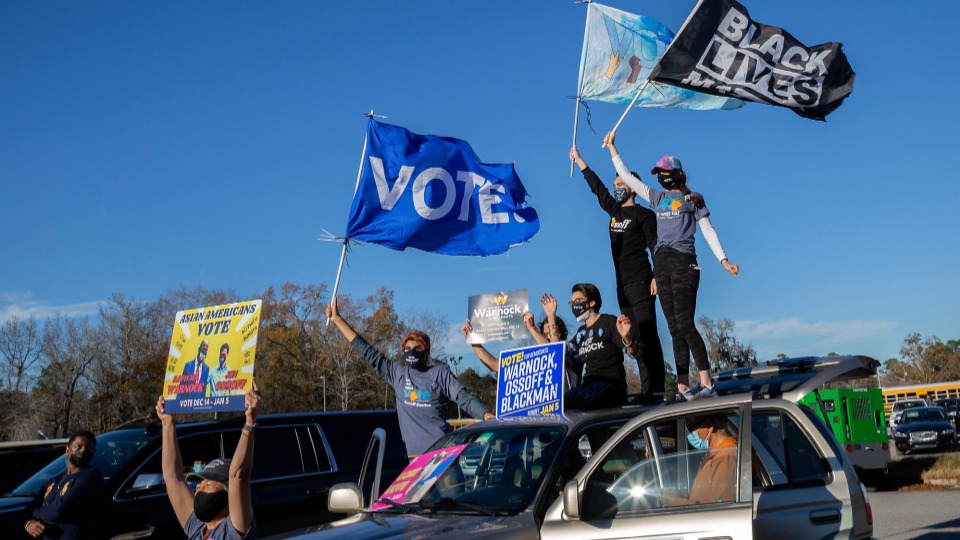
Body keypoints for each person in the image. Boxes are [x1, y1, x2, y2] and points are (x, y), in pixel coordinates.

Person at [604, 131, 739, 399]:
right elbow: (629, 178)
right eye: (657, 173)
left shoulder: (693, 199)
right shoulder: (655, 197)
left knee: (686, 323)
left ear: (676, 173)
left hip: (684, 262)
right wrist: (612, 148)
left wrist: (723, 260)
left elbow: (708, 230)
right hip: (662, 264)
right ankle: (683, 386)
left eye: (664, 172)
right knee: (674, 328)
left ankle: (707, 382)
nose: (660, 176)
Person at [326, 296, 494, 457]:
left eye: (418, 348)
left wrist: (485, 414)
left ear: (426, 352)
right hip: (411, 461)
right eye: (408, 348)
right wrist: (338, 320)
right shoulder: (397, 373)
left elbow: (464, 398)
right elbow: (367, 351)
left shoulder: (440, 373)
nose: (412, 351)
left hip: (441, 457)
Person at [570, 145, 665, 397]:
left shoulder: (644, 215)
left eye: (621, 183)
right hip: (622, 286)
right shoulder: (614, 212)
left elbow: (655, 245)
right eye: (615, 184)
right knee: (632, 336)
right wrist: (580, 161)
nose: (616, 188)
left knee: (648, 333)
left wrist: (657, 274)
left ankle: (656, 389)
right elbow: (597, 189)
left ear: (632, 186)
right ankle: (645, 390)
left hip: (642, 281)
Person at [155, 380, 261, 540]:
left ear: (229, 493)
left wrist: (250, 422)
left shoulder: (234, 530)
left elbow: (238, 475)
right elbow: (173, 478)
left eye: (209, 484)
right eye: (199, 484)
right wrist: (167, 423)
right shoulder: (197, 527)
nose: (199, 487)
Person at [461, 293, 584, 389]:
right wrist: (473, 340)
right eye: (545, 336)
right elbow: (495, 365)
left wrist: (538, 324)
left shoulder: (573, 359)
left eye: (551, 335)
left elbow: (556, 355)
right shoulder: (535, 361)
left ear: (565, 335)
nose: (548, 339)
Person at [563, 283, 636, 410]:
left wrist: (627, 338)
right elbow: (564, 356)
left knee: (581, 401)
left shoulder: (609, 322)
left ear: (592, 302)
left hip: (611, 385)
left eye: (578, 301)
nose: (574, 306)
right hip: (588, 385)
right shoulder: (581, 332)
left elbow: (635, 353)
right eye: (572, 302)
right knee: (561, 403)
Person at [20, 431, 103, 539]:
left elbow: (59, 510)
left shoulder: (91, 476)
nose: (83, 450)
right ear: (67, 450)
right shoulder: (53, 481)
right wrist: (28, 523)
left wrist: (36, 512)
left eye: (89, 448)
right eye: (78, 447)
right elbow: (27, 511)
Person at [675, 414, 737, 505]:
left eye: (691, 428)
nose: (690, 434)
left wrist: (675, 502)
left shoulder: (725, 457)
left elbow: (718, 507)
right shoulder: (716, 454)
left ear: (709, 426)